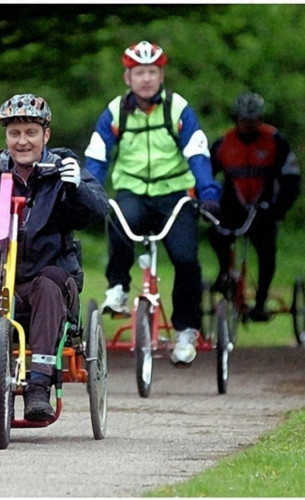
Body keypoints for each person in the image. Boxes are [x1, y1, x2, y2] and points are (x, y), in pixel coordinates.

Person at [0, 93, 108, 422]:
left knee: (49, 285)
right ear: (6, 137)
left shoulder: (62, 168)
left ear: (45, 135)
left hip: (47, 276)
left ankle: (38, 386)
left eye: (30, 133)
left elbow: (95, 209)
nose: (22, 141)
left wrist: (75, 187)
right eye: (15, 133)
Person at [84, 40, 220, 366]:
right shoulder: (116, 111)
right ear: (127, 77)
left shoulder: (177, 109)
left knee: (186, 258)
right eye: (139, 72)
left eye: (152, 72)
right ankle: (117, 289)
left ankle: (186, 330)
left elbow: (197, 153)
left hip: (174, 196)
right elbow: (97, 156)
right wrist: (87, 192)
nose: (146, 78)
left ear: (161, 75)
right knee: (118, 218)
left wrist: (209, 193)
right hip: (133, 192)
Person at [208, 92, 301, 321]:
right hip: (233, 207)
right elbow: (206, 176)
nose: (248, 125)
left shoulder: (275, 141)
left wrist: (280, 207)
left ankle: (260, 303)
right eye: (243, 120)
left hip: (264, 208)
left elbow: (291, 178)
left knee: (266, 251)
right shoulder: (223, 143)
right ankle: (225, 273)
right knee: (217, 232)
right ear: (236, 119)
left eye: (253, 120)